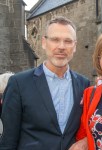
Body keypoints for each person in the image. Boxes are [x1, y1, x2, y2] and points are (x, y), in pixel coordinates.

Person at [0, 16, 90, 150]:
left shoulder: (84, 84)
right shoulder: (19, 83)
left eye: (68, 41)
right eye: (55, 40)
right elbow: (8, 140)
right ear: (44, 42)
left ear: (75, 46)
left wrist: (86, 140)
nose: (61, 46)